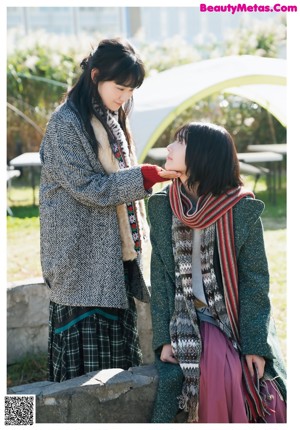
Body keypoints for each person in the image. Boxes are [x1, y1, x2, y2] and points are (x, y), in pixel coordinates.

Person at [39, 37, 179, 382]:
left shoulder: (109, 116)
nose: (124, 97)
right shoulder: (65, 124)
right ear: (95, 74)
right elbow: (89, 188)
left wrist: (145, 178)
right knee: (76, 378)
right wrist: (143, 178)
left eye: (131, 90)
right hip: (79, 257)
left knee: (115, 372)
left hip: (111, 255)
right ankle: (21, 416)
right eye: (120, 87)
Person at [148, 122, 287, 423]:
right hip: (184, 314)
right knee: (211, 365)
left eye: (179, 142)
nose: (169, 148)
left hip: (229, 316)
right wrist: (163, 340)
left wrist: (255, 345)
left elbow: (254, 281)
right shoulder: (163, 206)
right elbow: (160, 277)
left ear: (202, 155)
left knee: (226, 369)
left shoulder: (240, 208)